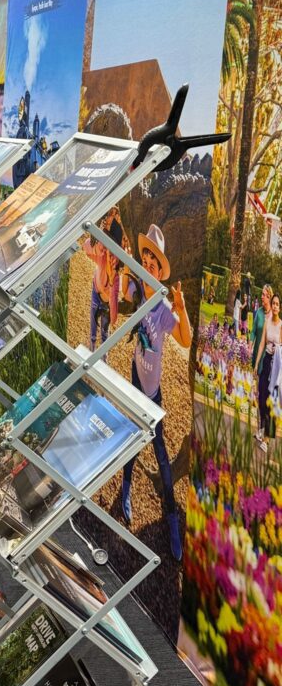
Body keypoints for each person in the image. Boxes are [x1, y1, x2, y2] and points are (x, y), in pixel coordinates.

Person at [120, 224, 192, 560]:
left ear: (159, 271)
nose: (147, 263)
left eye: (153, 262)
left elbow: (186, 340)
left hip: (154, 391)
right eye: (144, 258)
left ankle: (172, 517)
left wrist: (182, 306)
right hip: (136, 379)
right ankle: (124, 491)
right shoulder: (137, 294)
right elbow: (117, 297)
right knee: (131, 443)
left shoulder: (163, 308)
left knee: (160, 451)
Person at [83, 211, 123, 352]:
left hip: (106, 302)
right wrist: (97, 246)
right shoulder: (102, 256)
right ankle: (92, 347)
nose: (108, 252)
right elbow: (85, 248)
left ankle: (103, 357)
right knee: (93, 324)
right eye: (106, 243)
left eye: (112, 249)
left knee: (105, 331)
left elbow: (114, 317)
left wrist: (112, 282)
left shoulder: (116, 275)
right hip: (96, 291)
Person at [255, 291, 281, 453]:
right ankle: (262, 428)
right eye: (274, 304)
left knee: (272, 401)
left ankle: (266, 439)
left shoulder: (281, 326)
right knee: (262, 396)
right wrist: (256, 364)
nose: (275, 306)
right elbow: (262, 344)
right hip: (266, 363)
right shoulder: (267, 322)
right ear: (271, 306)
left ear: (280, 307)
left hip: (276, 366)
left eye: (278, 304)